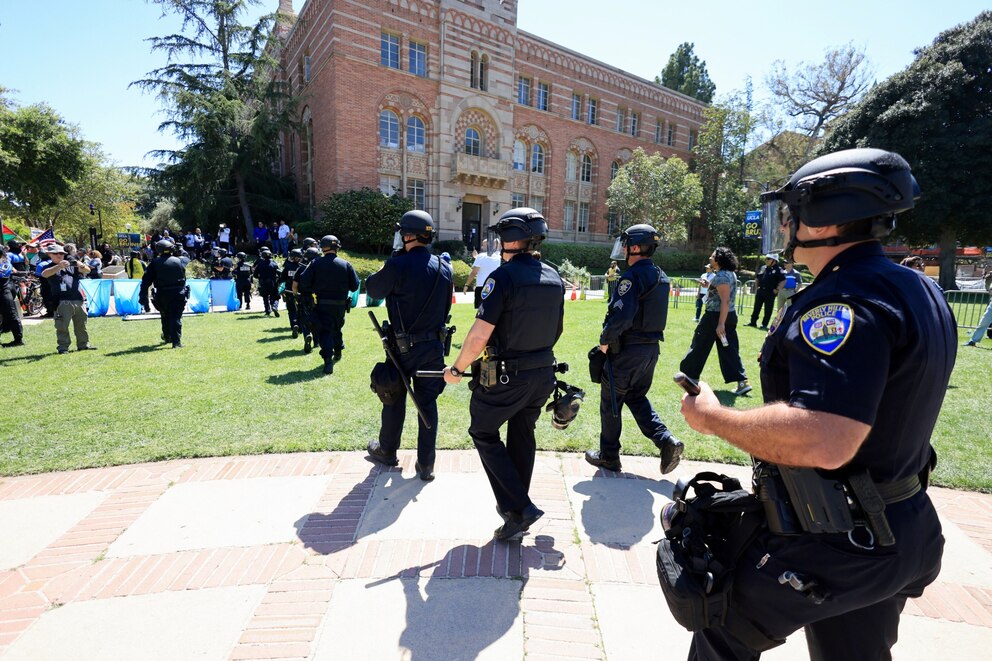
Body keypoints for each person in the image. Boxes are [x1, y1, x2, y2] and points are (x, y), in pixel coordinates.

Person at [678, 148, 954, 660]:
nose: (784, 225)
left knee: (717, 626)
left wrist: (714, 419)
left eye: (791, 212)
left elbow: (827, 437)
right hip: (901, 523)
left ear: (825, 219)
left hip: (838, 538)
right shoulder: (915, 286)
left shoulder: (844, 301)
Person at [443, 208, 564, 540]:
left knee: (483, 431)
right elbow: (557, 330)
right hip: (542, 375)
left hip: (507, 378)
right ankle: (515, 514)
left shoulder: (503, 277)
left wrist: (456, 369)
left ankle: (522, 507)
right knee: (523, 434)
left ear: (508, 239)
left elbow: (480, 335)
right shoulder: (553, 277)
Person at [584, 224, 683, 475]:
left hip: (627, 352)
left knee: (611, 403)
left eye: (627, 245)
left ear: (636, 247)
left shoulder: (631, 277)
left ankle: (609, 456)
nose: (624, 249)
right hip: (650, 352)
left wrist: (605, 341)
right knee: (636, 398)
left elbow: (622, 316)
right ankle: (666, 441)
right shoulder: (661, 275)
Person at [365, 210, 453, 481]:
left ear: (407, 235)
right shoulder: (444, 266)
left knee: (393, 397)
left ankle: (388, 450)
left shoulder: (397, 265)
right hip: (433, 348)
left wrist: (392, 261)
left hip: (402, 349)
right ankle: (426, 464)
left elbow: (372, 289)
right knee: (427, 404)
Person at [679, 247, 752, 396]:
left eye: (712, 256)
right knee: (729, 349)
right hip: (727, 316)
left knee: (700, 343)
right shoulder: (727, 274)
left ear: (718, 260)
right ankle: (742, 382)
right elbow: (720, 294)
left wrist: (720, 324)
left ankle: (689, 378)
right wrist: (708, 285)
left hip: (716, 316)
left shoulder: (723, 276)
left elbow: (725, 301)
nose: (710, 258)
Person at [298, 235, 359, 374]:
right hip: (340, 306)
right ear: (337, 247)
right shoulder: (346, 264)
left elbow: (304, 282)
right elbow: (355, 286)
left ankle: (328, 362)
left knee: (325, 331)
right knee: (337, 328)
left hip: (321, 304)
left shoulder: (315, 263)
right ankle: (338, 351)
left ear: (323, 247)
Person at [40, 244, 96, 354]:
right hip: (61, 302)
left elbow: (87, 271)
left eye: (61, 253)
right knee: (62, 327)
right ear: (50, 254)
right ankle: (63, 347)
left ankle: (83, 344)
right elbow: (44, 274)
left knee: (81, 325)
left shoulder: (71, 265)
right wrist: (58, 266)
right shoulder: (48, 266)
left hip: (78, 300)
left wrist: (78, 263)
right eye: (56, 253)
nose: (59, 255)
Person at [140, 240, 188, 348]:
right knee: (176, 317)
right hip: (178, 292)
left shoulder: (154, 263)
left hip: (163, 293)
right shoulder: (179, 261)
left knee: (165, 315)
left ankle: (168, 337)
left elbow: (146, 281)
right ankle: (176, 342)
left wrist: (143, 296)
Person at [292, 245, 322, 355]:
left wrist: (296, 296)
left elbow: (295, 285)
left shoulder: (300, 268)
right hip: (318, 298)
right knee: (316, 319)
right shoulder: (320, 267)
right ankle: (316, 341)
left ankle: (306, 335)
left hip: (304, 297)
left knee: (304, 318)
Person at [748, 253, 785, 329]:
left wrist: (777, 289)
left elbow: (783, 280)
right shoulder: (763, 268)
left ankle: (764, 324)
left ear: (774, 260)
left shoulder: (778, 269)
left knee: (768, 309)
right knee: (756, 307)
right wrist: (756, 287)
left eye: (768, 259)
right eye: (766, 258)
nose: (766, 260)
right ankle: (753, 322)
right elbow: (758, 277)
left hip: (770, 292)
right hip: (761, 290)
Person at [463, 239, 502, 309]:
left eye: (483, 245)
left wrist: (466, 285)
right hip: (495, 286)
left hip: (482, 286)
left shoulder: (481, 256)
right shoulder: (499, 256)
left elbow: (474, 272)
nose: (481, 247)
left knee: (481, 312)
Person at [0, 248, 24, 347]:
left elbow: (2, 273)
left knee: (11, 314)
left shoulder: (5, 264)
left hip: (4, 291)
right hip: (5, 290)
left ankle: (18, 340)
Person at [279, 248, 304, 336]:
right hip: (300, 292)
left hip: (289, 291)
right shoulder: (302, 267)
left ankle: (294, 324)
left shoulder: (287, 267)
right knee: (301, 309)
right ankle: (301, 327)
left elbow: (282, 279)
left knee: (291, 310)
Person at [253, 248, 281, 317]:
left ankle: (267, 311)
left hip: (263, 283)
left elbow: (255, 275)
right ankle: (274, 306)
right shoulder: (274, 263)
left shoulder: (260, 264)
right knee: (275, 297)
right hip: (273, 283)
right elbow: (279, 272)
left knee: (265, 297)